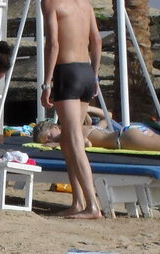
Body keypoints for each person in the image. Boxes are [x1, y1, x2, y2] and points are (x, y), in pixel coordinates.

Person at [40, 0, 103, 218]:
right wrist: (94, 75)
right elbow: (96, 40)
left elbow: (53, 44)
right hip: (86, 72)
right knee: (67, 141)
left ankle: (92, 205)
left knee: (75, 141)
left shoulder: (50, 2)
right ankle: (78, 201)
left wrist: (47, 83)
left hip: (66, 72)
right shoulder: (85, 4)